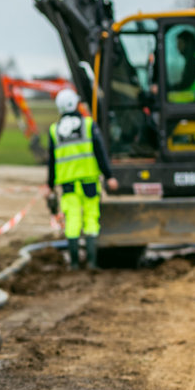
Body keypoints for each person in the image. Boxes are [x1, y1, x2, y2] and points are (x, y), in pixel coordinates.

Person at [46, 89, 118, 270]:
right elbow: (100, 153)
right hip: (89, 183)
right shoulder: (88, 125)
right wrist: (109, 176)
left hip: (68, 185)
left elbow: (52, 161)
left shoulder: (55, 131)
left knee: (72, 222)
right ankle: (92, 263)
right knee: (91, 219)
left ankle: (75, 264)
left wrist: (50, 184)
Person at [167, 28, 195, 103]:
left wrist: (170, 88)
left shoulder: (194, 61)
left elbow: (185, 84)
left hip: (193, 97)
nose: (178, 47)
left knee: (165, 98)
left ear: (187, 43)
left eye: (180, 43)